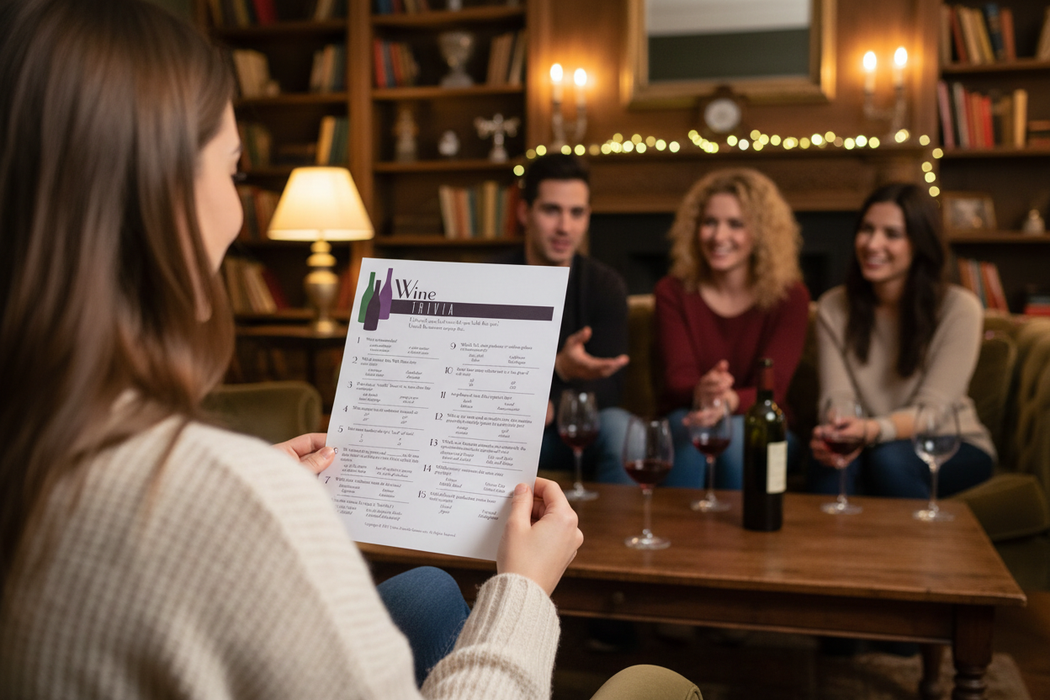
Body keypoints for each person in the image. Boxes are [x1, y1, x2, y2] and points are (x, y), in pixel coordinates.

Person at [0, 1, 586, 697]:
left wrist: (246, 492)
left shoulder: (36, 433)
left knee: (427, 592)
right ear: (163, 197)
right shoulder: (225, 496)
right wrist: (522, 591)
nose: (238, 208)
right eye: (234, 171)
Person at [808, 183, 994, 498]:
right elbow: (836, 398)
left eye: (892, 234)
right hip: (867, 440)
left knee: (889, 460)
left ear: (920, 244)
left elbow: (932, 412)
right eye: (867, 229)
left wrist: (870, 431)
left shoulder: (960, 309)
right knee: (830, 463)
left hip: (950, 442)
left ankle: (919, 549)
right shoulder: (833, 308)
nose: (872, 244)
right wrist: (840, 433)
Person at [655, 168, 810, 489]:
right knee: (696, 432)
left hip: (763, 422)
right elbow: (678, 379)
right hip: (689, 416)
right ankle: (678, 535)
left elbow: (774, 389)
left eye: (736, 224)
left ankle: (748, 538)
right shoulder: (672, 292)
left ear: (762, 233)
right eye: (709, 222)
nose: (718, 236)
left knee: (740, 435)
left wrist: (727, 402)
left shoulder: (790, 296)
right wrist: (704, 392)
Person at [499, 153, 633, 484]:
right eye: (551, 210)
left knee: (623, 431)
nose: (565, 227)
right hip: (507, 432)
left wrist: (554, 404)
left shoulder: (605, 284)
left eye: (577, 213)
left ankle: (617, 534)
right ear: (524, 212)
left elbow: (610, 386)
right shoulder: (492, 279)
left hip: (577, 428)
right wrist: (559, 368)